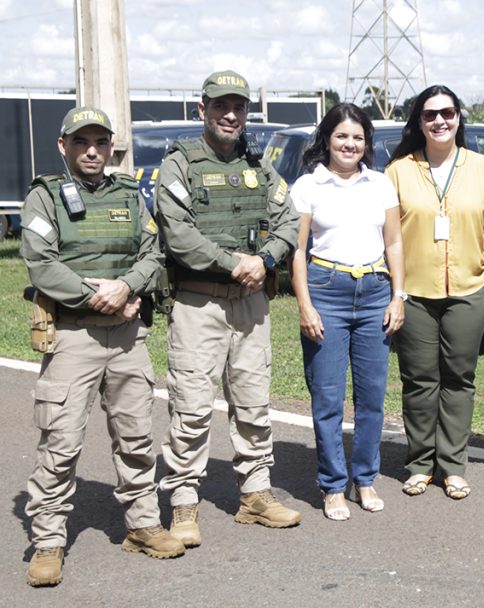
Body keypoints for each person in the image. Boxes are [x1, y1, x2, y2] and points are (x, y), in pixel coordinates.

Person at [20, 106, 185, 587]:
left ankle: (142, 525)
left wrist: (129, 287)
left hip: (128, 335)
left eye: (100, 142)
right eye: (81, 142)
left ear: (112, 146)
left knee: (136, 436)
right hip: (73, 335)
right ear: (63, 146)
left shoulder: (131, 195)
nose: (92, 150)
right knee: (61, 441)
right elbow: (41, 264)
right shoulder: (44, 197)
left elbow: (153, 253)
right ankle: (48, 540)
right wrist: (105, 298)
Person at [155, 70, 302, 546]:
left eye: (238, 107)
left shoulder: (259, 164)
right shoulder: (179, 165)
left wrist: (264, 260)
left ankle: (256, 495)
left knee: (254, 403)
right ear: (203, 111)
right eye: (221, 106)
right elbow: (177, 233)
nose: (231, 115)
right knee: (192, 407)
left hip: (251, 304)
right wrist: (232, 263)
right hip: (200, 303)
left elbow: (289, 219)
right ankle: (182, 503)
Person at [384, 85, 484, 500]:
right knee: (419, 380)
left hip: (469, 288)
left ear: (459, 117)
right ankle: (420, 463)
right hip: (414, 291)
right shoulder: (398, 170)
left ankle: (452, 465)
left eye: (448, 113)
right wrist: (393, 290)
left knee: (459, 379)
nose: (440, 121)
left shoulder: (481, 167)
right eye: (430, 114)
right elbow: (387, 234)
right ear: (418, 121)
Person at [290, 103, 406, 520]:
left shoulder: (380, 184)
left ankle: (366, 479)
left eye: (358, 137)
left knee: (373, 397)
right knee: (327, 398)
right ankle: (333, 485)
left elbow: (394, 243)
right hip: (327, 291)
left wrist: (398, 296)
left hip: (376, 291)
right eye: (342, 136)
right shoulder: (308, 186)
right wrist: (306, 306)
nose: (350, 144)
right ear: (327, 139)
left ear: (366, 143)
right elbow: (297, 252)